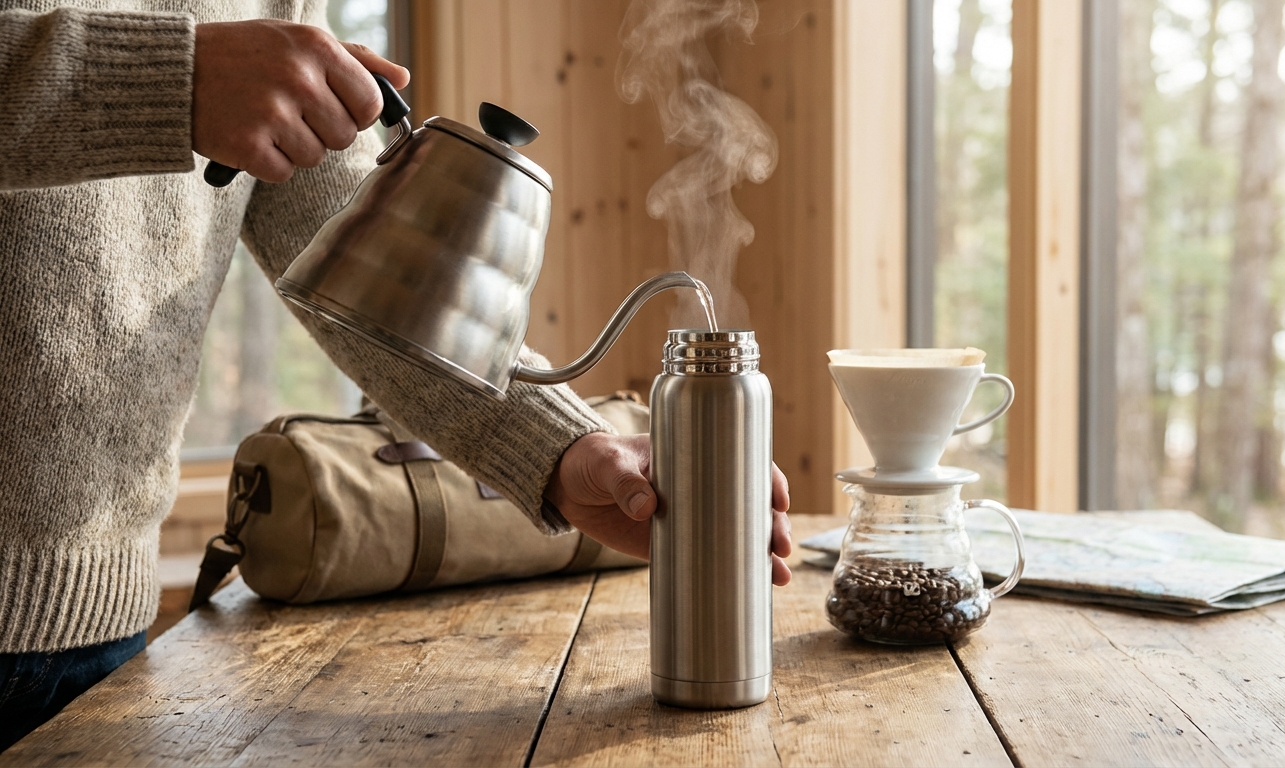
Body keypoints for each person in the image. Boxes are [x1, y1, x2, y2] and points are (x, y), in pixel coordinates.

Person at [0, 2, 793, 750]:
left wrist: (566, 450)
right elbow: (192, 86)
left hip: (100, 614)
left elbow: (368, 255)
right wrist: (168, 83)